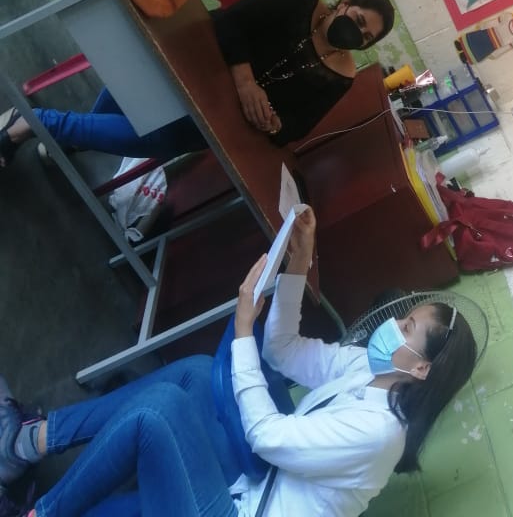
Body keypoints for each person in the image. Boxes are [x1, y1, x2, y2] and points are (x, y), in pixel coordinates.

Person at [0, 207, 478, 517]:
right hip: (256, 483)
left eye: (407, 328)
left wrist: (245, 328)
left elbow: (268, 436)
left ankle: (40, 511)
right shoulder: (366, 369)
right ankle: (30, 442)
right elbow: (284, 351)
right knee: (193, 375)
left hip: (249, 506)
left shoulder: (380, 434)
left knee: (158, 410)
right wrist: (298, 264)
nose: (392, 324)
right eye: (404, 317)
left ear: (421, 369)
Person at [0, 0, 395, 168]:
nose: (356, 33)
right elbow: (228, 22)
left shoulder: (342, 77)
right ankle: (33, 124)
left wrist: (272, 121)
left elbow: (298, 127)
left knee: (163, 139)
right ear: (345, 3)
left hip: (222, 120)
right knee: (143, 101)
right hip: (197, 67)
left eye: (365, 37)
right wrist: (245, 81)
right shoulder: (301, 1)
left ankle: (56, 130)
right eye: (359, 20)